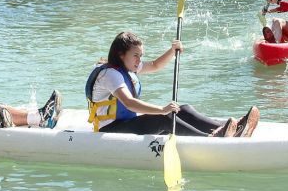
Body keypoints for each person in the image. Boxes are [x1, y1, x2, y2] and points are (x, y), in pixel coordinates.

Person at [85, 31, 259, 137]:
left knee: (182, 109)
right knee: (166, 118)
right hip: (110, 129)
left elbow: (155, 65)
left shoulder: (128, 67)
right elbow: (130, 103)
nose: (140, 60)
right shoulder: (110, 74)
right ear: (121, 54)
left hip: (125, 123)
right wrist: (162, 109)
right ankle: (210, 139)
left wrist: (172, 51)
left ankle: (228, 128)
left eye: (141, 55)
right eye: (136, 55)